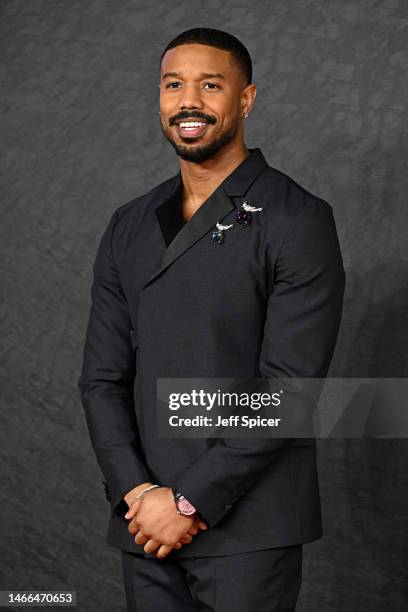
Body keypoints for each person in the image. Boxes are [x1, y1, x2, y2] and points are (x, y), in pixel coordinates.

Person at [78, 27, 346, 611]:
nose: (188, 101)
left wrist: (188, 502)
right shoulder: (128, 224)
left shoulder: (297, 219)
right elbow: (101, 379)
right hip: (145, 528)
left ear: (245, 99)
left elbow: (287, 391)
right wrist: (140, 493)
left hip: (251, 528)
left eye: (210, 85)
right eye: (174, 85)